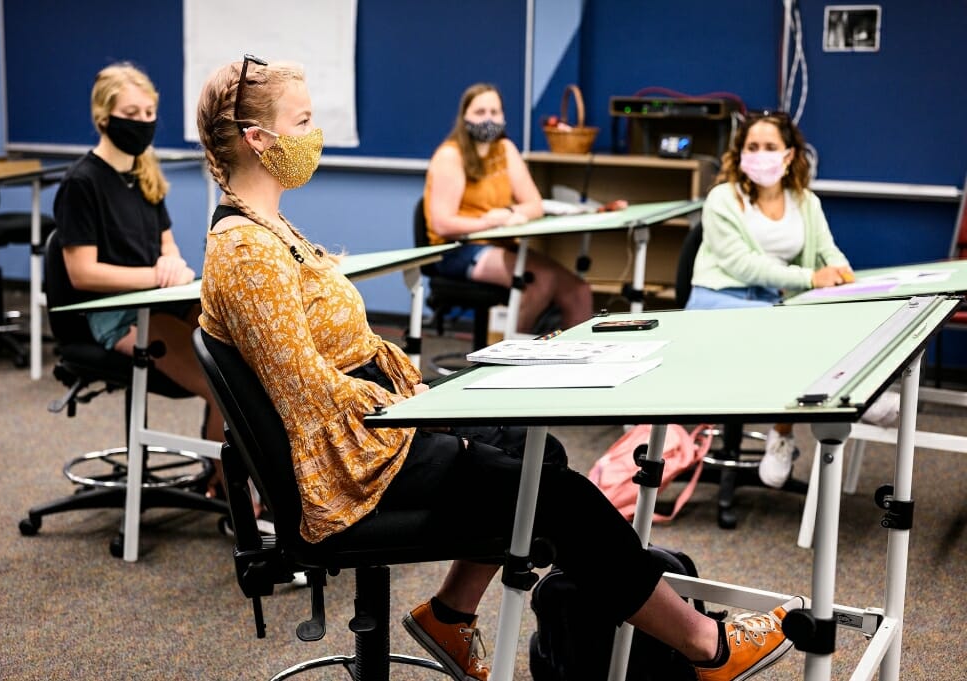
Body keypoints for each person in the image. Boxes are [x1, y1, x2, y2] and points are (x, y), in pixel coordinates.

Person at [195, 55, 804, 681]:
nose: (312, 133)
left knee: (534, 445)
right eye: (302, 121)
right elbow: (306, 396)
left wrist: (427, 405)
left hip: (375, 424)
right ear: (258, 140)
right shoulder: (247, 251)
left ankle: (450, 615)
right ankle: (707, 646)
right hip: (349, 461)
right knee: (554, 493)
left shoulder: (269, 229)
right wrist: (430, 425)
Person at [688, 109, 899, 488]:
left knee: (822, 322)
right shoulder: (722, 198)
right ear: (739, 153)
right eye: (752, 146)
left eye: (770, 146)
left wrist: (842, 274)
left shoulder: (805, 201)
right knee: (794, 332)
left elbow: (828, 251)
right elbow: (743, 265)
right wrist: (811, 277)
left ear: (789, 155)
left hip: (772, 301)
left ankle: (785, 432)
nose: (760, 154)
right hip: (717, 301)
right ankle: (848, 397)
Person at [52, 62, 226, 497]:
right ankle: (231, 496)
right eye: (133, 113)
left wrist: (174, 266)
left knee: (237, 365)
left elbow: (168, 248)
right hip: (117, 317)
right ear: (104, 116)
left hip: (160, 302)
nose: (144, 123)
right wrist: (155, 274)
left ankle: (223, 487)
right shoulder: (82, 184)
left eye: (151, 113)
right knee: (225, 389)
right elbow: (82, 272)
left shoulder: (145, 176)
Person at [423, 83, 593, 334]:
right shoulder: (451, 156)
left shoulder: (506, 150)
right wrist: (490, 222)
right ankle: (510, 358)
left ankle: (576, 364)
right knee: (541, 280)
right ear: (464, 117)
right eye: (480, 113)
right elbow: (442, 224)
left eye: (495, 112)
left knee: (579, 291)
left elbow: (534, 204)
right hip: (457, 250)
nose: (489, 119)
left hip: (501, 244)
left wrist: (512, 215)